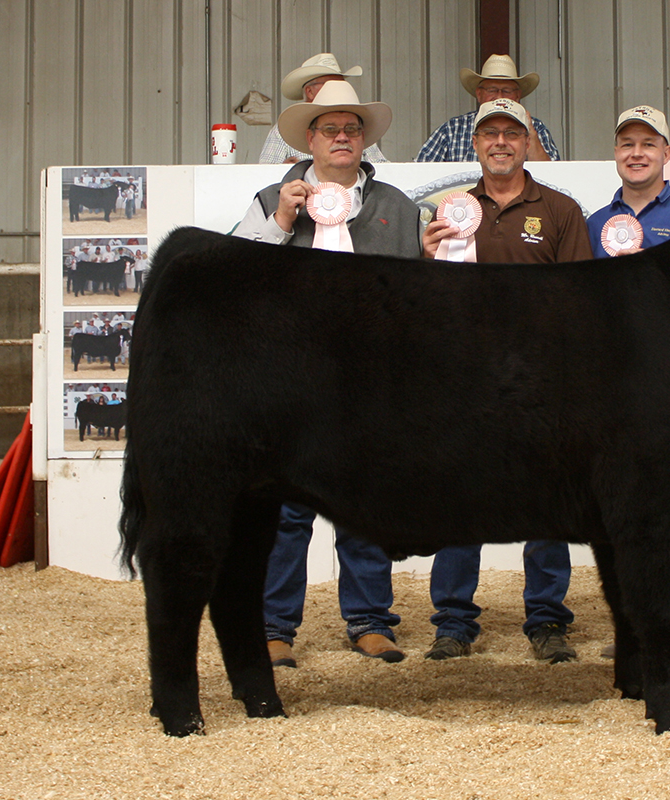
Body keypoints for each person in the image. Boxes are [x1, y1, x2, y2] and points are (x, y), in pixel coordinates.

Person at [235, 79, 422, 667]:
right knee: (287, 512)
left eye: (352, 129)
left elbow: (419, 291)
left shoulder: (398, 205)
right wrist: (282, 222)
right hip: (292, 382)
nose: (342, 138)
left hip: (372, 381)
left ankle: (369, 622)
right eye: (330, 130)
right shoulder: (273, 197)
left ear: (364, 139)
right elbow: (236, 275)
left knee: (365, 504)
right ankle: (273, 628)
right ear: (309, 139)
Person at [420, 98, 592, 663]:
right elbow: (430, 304)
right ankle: (452, 621)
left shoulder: (562, 211)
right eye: (489, 132)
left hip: (543, 383)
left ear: (526, 142)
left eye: (511, 133)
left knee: (548, 502)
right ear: (475, 144)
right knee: (457, 499)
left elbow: (581, 301)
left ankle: (546, 619)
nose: (500, 142)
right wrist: (425, 259)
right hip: (464, 381)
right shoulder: (449, 210)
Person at [584, 105, 670, 662]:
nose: (636, 153)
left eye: (648, 143)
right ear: (616, 154)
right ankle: (638, 619)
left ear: (667, 153)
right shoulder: (594, 223)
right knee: (621, 504)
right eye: (626, 144)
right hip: (611, 386)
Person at [416, 54, 559, 163]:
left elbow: (552, 177)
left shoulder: (536, 128)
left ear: (517, 96)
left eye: (507, 91)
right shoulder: (452, 129)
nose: (499, 97)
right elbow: (420, 172)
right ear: (479, 94)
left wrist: (531, 134)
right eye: (492, 90)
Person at [258, 53, 387, 165]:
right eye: (329, 85)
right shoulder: (284, 131)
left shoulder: (355, 127)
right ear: (309, 92)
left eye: (341, 84)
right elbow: (266, 174)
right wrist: (284, 172)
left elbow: (384, 168)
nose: (338, 89)